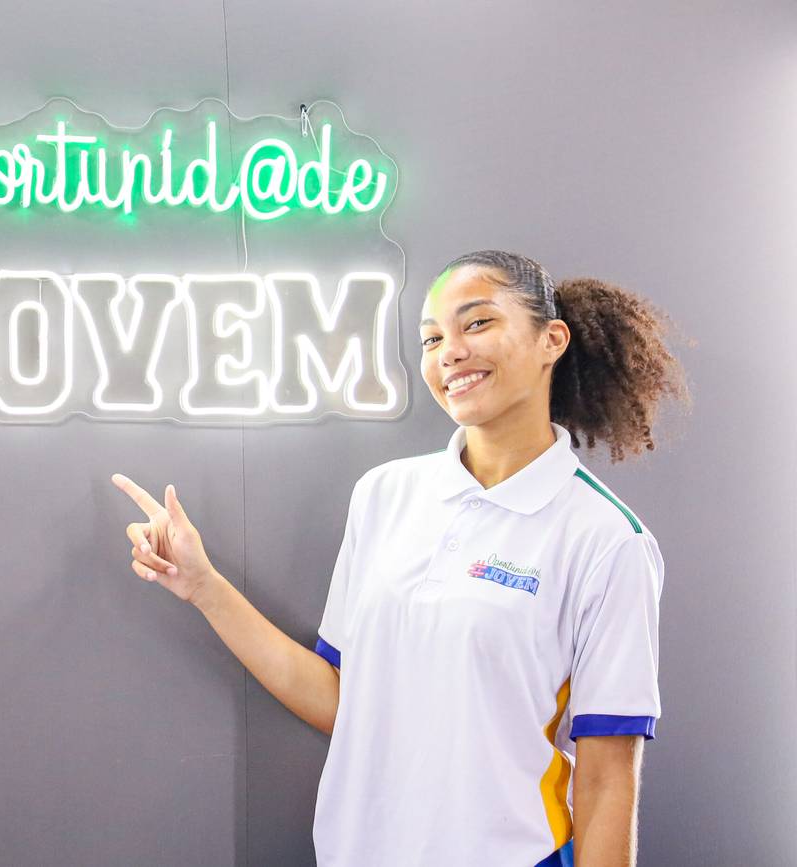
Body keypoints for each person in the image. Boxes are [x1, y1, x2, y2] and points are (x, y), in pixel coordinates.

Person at [111, 249, 691, 866]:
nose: (450, 353)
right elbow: (342, 700)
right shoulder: (384, 494)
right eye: (432, 338)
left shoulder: (606, 539)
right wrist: (203, 585)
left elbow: (606, 781)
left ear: (552, 340)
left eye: (477, 323)